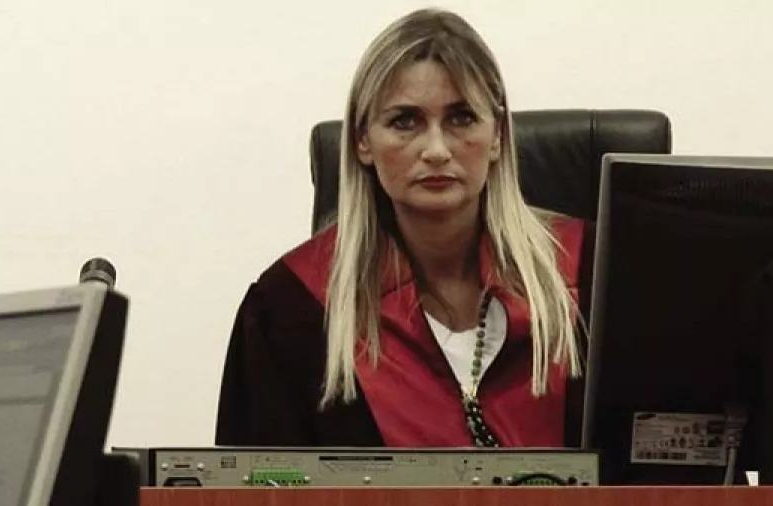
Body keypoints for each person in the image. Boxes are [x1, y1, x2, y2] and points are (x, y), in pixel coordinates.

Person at [215, 7, 590, 448]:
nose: (436, 150)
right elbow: (262, 481)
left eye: (461, 118)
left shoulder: (595, 277)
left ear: (498, 136)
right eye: (405, 122)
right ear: (362, 141)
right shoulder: (289, 310)